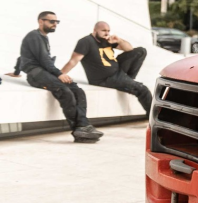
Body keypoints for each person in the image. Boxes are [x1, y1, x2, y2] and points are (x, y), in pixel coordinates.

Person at [7, 12, 103, 142]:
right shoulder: (34, 36)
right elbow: (44, 60)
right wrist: (59, 74)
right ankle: (79, 130)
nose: (55, 24)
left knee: (78, 91)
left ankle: (83, 125)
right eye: (51, 21)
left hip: (45, 72)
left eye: (57, 22)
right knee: (65, 91)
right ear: (41, 21)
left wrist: (16, 72)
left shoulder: (42, 37)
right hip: (36, 74)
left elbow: (22, 56)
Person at [59, 22, 152, 113]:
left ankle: (129, 79)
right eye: (103, 30)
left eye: (108, 31)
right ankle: (153, 116)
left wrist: (119, 40)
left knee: (140, 51)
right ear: (95, 30)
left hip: (118, 72)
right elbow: (73, 60)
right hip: (105, 79)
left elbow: (129, 49)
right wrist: (60, 74)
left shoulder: (107, 40)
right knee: (143, 89)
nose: (107, 33)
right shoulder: (86, 41)